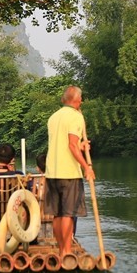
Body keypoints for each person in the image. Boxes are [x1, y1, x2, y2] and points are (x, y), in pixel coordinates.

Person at [44, 85, 93, 258]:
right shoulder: (76, 117)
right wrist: (87, 167)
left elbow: (65, 144)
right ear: (78, 100)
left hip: (52, 172)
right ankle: (66, 252)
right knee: (68, 214)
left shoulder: (53, 117)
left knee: (57, 215)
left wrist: (81, 145)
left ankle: (61, 250)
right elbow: (71, 145)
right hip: (69, 173)